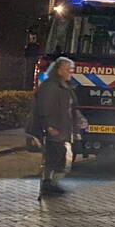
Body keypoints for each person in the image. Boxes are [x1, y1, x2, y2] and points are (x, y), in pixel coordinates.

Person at [27, 57, 87, 197]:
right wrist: (49, 127)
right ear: (59, 70)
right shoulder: (51, 86)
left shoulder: (64, 86)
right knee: (53, 158)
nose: (70, 72)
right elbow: (44, 108)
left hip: (62, 129)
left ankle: (50, 184)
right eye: (68, 69)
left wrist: (80, 120)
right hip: (53, 130)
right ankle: (47, 185)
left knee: (59, 158)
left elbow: (71, 107)